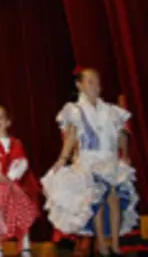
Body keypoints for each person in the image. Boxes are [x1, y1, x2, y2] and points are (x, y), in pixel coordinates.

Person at [41, 67, 138, 256]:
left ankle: (115, 243)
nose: (95, 85)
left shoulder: (111, 111)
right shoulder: (75, 110)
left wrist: (124, 154)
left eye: (97, 81)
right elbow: (71, 137)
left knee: (114, 198)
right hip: (89, 160)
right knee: (98, 200)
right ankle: (101, 243)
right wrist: (62, 159)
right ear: (79, 85)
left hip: (109, 158)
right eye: (90, 81)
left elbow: (120, 135)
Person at [0, 105, 39, 257]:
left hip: (13, 184)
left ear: (8, 122)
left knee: (22, 208)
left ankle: (25, 246)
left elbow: (23, 162)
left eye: (0, 117)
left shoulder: (16, 143)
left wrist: (12, 176)